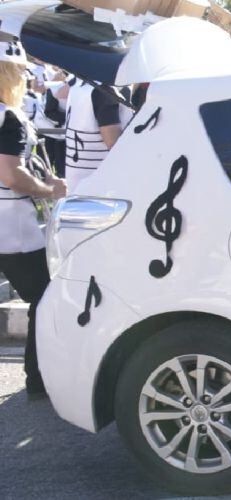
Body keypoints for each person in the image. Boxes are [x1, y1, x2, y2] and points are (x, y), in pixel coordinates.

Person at [0, 40, 66, 400]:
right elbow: (11, 175)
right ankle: (37, 379)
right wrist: (48, 190)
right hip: (12, 227)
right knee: (44, 298)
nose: (27, 78)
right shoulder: (10, 117)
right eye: (22, 72)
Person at [64, 75, 124, 191]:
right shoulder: (102, 90)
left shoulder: (77, 87)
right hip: (101, 183)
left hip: (78, 179)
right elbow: (113, 141)